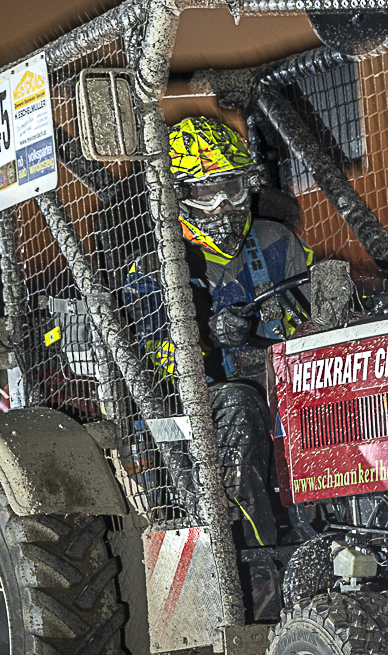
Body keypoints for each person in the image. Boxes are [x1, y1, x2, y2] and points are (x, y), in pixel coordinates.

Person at [124, 116, 312, 549]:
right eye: (208, 194)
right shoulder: (154, 267)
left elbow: (309, 314)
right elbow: (151, 361)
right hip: (186, 411)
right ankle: (254, 557)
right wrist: (206, 336)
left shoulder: (276, 240)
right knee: (239, 404)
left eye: (232, 189)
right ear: (178, 198)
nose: (224, 206)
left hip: (277, 385)